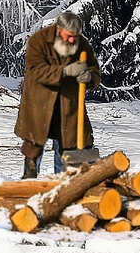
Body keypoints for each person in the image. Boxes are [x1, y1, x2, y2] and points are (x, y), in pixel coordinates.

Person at [14, 11, 101, 178]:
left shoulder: (82, 45)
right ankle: (27, 186)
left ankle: (62, 188)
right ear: (58, 30)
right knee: (33, 149)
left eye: (75, 36)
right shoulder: (38, 41)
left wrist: (89, 78)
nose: (72, 40)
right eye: (69, 36)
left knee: (68, 148)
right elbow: (36, 71)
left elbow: (95, 73)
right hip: (40, 106)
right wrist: (65, 71)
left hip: (68, 107)